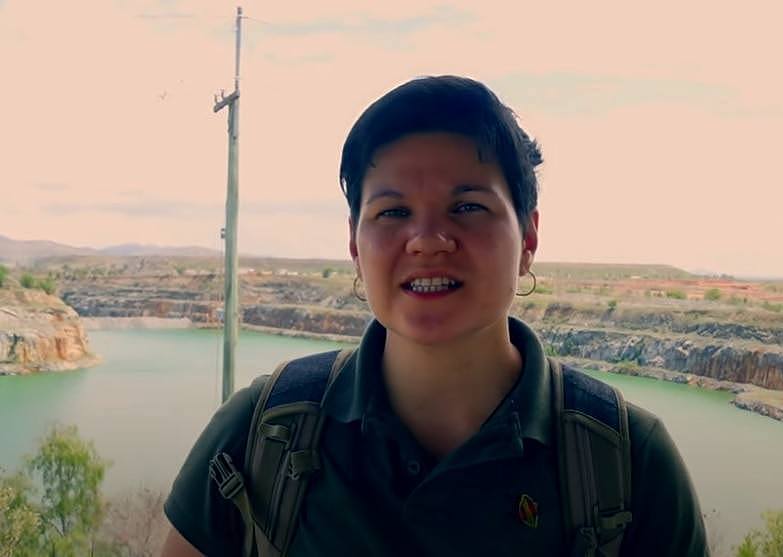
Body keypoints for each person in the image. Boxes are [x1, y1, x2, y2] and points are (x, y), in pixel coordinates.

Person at [161, 75, 708, 556]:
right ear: (355, 245)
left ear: (529, 237)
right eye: (392, 212)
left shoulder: (628, 462)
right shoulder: (262, 431)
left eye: (468, 207)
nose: (427, 241)